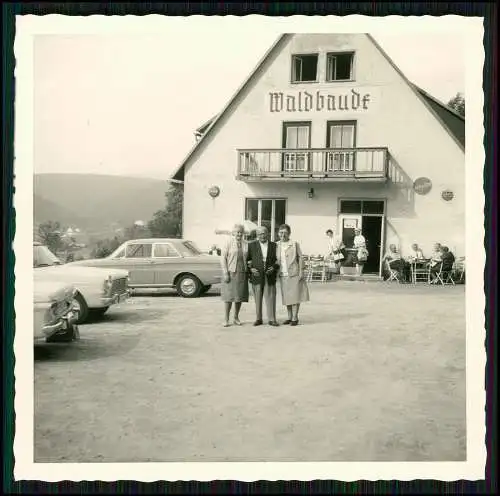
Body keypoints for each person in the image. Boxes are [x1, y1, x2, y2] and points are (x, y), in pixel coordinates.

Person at [246, 226, 280, 327]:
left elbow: (278, 260)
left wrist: (274, 267)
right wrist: (250, 269)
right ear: (257, 236)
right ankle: (258, 318)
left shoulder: (274, 245)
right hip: (257, 275)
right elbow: (247, 260)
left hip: (270, 275)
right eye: (260, 234)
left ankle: (272, 319)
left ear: (268, 234)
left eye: (264, 233)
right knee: (257, 297)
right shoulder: (251, 245)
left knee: (271, 297)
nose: (262, 236)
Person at [276, 224, 310, 326]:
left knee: (295, 296)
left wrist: (301, 271)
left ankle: (295, 317)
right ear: (278, 233)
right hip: (283, 274)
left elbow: (300, 258)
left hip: (294, 273)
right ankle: (289, 317)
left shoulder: (294, 244)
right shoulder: (276, 245)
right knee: (287, 297)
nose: (283, 235)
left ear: (289, 233)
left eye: (285, 233)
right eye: (281, 232)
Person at [220, 224, 249, 327]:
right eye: (237, 232)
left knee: (239, 297)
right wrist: (225, 272)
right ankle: (226, 319)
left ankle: (236, 318)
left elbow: (248, 258)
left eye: (241, 232)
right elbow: (223, 258)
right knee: (228, 297)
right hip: (230, 272)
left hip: (242, 273)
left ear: (243, 233)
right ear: (233, 233)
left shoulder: (246, 244)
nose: (239, 234)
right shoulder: (228, 243)